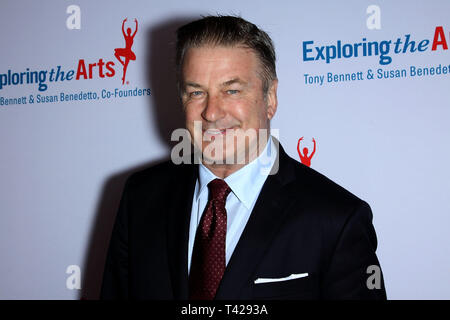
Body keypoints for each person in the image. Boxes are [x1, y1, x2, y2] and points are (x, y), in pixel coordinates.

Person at [100, 15, 386, 300]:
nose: (211, 112)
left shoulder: (336, 219)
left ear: (270, 97)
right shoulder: (140, 198)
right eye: (196, 92)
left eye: (232, 90)